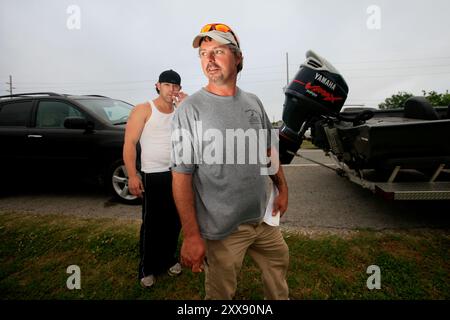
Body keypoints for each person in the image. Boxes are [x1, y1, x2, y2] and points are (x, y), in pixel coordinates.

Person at [170, 23, 290, 299]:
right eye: (203, 53)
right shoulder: (189, 110)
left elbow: (268, 152)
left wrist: (282, 189)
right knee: (221, 293)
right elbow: (181, 176)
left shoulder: (253, 102)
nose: (209, 59)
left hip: (262, 220)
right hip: (222, 231)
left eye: (218, 51)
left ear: (238, 58)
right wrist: (191, 235)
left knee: (279, 267)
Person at [123, 69, 187, 288]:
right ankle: (147, 267)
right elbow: (129, 143)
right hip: (153, 174)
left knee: (175, 220)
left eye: (176, 86)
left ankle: (169, 259)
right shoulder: (143, 109)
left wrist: (188, 105)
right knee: (152, 223)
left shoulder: (181, 109)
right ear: (158, 86)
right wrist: (133, 174)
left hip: (178, 173)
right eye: (167, 85)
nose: (172, 89)